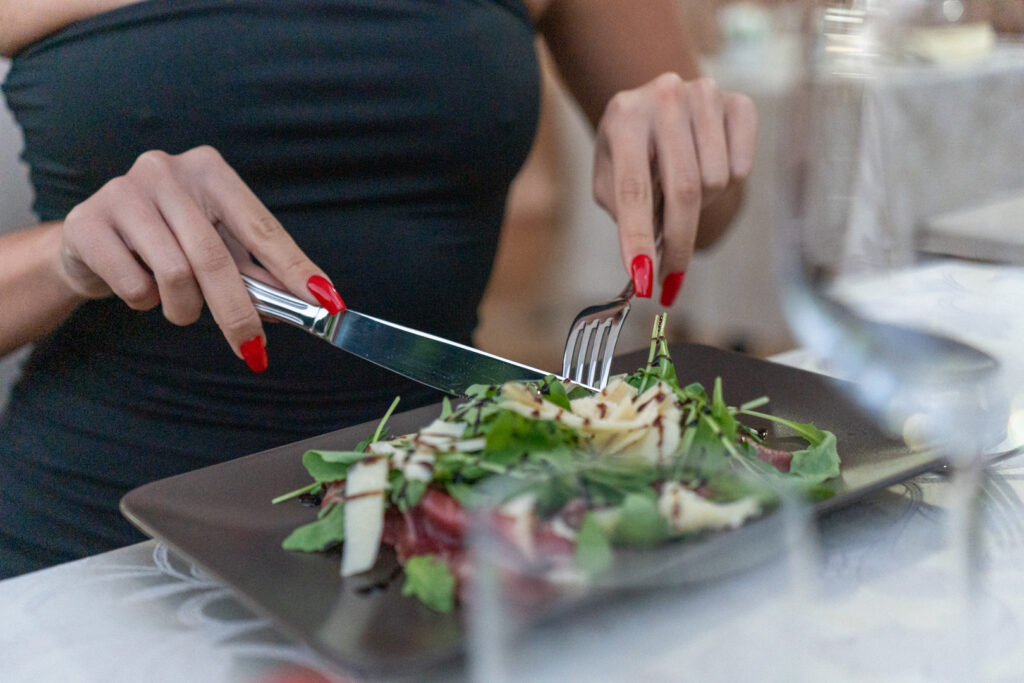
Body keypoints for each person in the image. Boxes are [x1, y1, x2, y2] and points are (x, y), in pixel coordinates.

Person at [0, 0, 757, 577]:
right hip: (96, 553)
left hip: (438, 540)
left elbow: (713, 217)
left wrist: (684, 133)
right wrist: (65, 259)